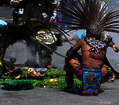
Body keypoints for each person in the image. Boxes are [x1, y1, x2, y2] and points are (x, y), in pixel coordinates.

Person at [61, 0, 119, 90]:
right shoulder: (103, 40)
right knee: (106, 68)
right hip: (100, 75)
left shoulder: (84, 40)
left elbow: (70, 52)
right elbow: (108, 40)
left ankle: (69, 85)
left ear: (88, 31)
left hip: (83, 74)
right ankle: (103, 80)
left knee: (69, 60)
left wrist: (74, 57)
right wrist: (113, 46)